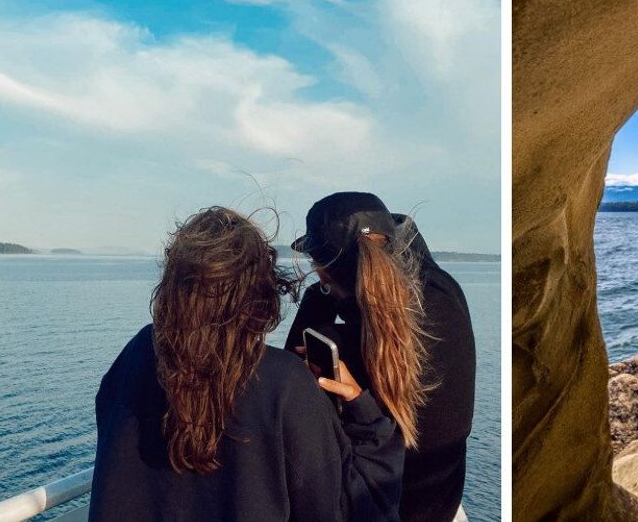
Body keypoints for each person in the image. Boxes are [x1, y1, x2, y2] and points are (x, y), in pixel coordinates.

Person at [89, 207, 403, 521]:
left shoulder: (136, 356)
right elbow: (354, 511)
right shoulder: (285, 386)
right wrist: (365, 418)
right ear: (261, 291)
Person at [286, 192, 476, 522]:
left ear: (323, 273)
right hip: (443, 508)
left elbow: (289, 375)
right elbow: (412, 248)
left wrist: (320, 293)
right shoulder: (445, 292)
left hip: (384, 511)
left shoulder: (338, 347)